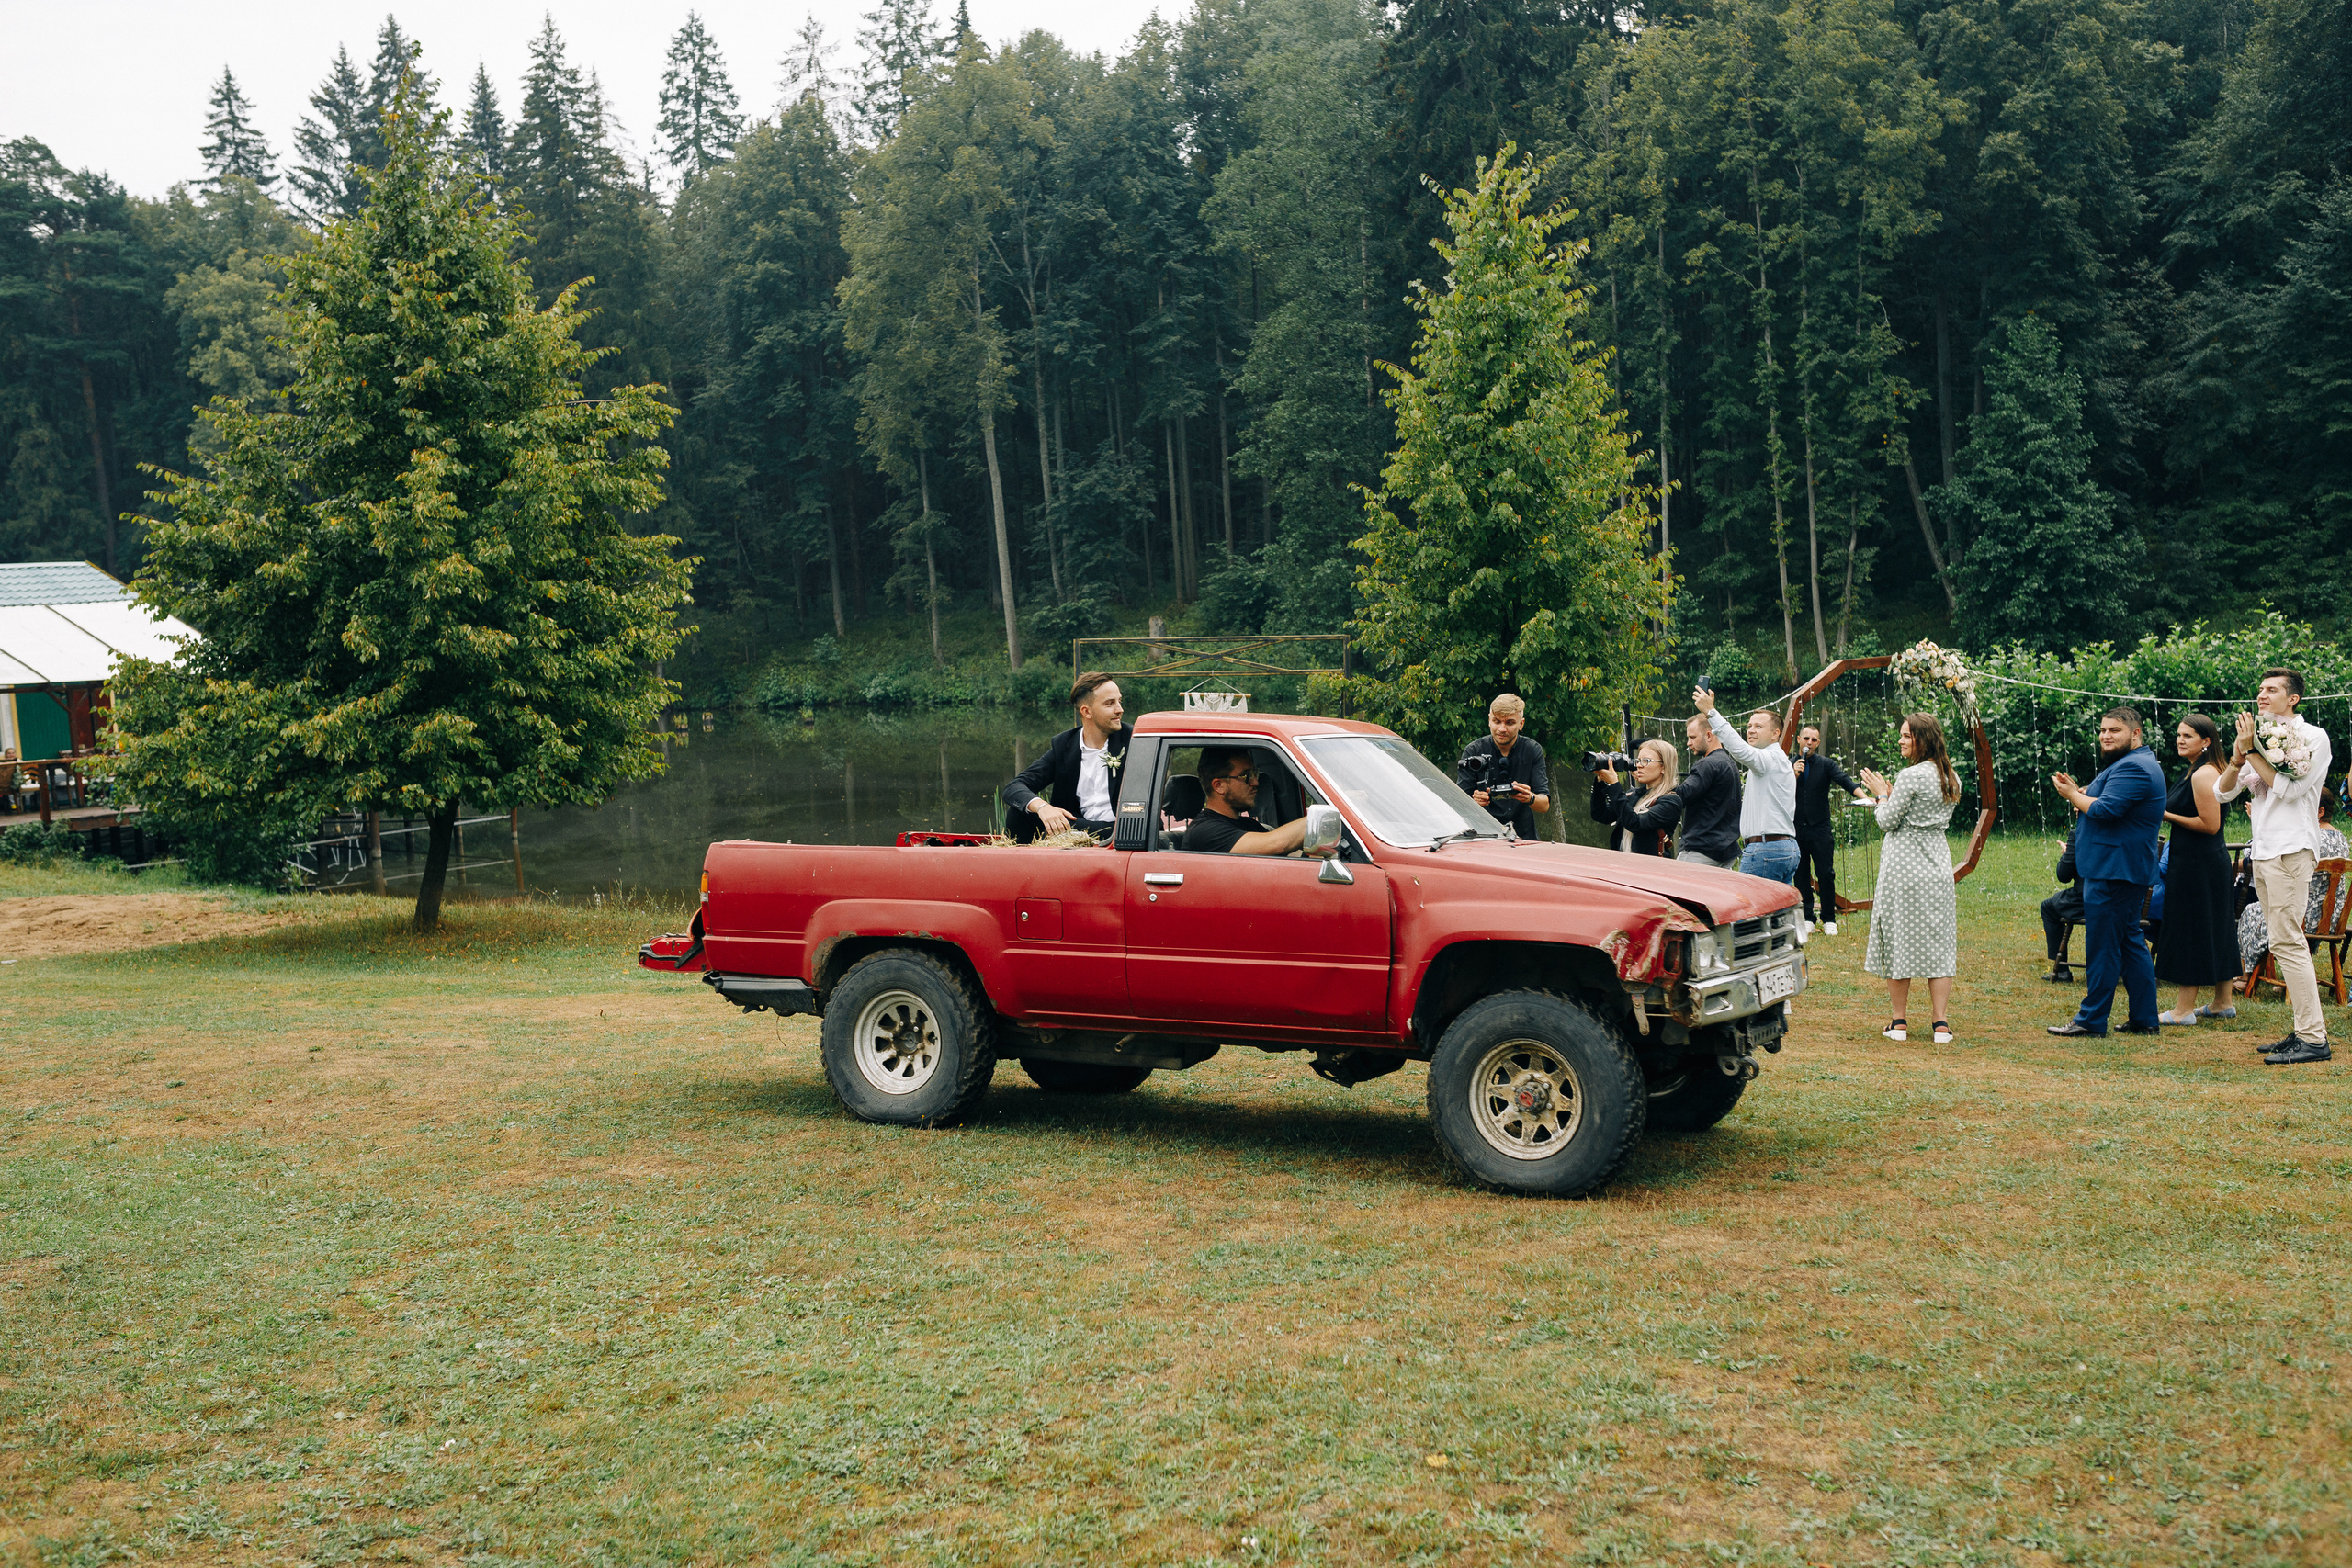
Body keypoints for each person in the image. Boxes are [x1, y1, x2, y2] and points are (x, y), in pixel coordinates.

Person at [2218, 668, 2335, 1063]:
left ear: (2293, 699)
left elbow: (2290, 790)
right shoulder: (2260, 739)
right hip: (2263, 851)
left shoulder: (2313, 738)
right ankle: (2304, 1030)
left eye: (2272, 690)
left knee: (2287, 941)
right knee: (2283, 942)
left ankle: (2314, 1039)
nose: (2262, 695)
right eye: (2260, 689)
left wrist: (2252, 750)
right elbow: (2223, 793)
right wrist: (2238, 757)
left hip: (2291, 849)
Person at [2046, 706, 2166, 1039]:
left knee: (2102, 948)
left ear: (2136, 733)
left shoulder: (2136, 768)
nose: (2105, 735)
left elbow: (2106, 809)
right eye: (2102, 730)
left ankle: (2091, 1020)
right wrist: (2081, 791)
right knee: (2130, 942)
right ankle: (2144, 1018)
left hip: (2114, 871)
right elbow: (2105, 798)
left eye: (2114, 730)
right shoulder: (2132, 763)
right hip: (2120, 869)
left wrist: (2073, 795)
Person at [1859, 713, 1962, 1043]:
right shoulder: (1951, 777)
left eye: (1906, 736)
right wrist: (1892, 793)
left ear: (1922, 739)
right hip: (1936, 866)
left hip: (1904, 866)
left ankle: (1899, 1021)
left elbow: (1888, 820)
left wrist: (1880, 794)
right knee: (1938, 939)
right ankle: (1941, 1023)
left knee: (1899, 936)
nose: (1901, 741)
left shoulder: (1911, 775)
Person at [2154, 715, 2243, 1026]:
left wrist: (2163, 814)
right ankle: (2223, 1002)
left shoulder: (2203, 774)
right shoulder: (2195, 769)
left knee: (2191, 929)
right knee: (2216, 926)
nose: (2180, 740)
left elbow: (2210, 825)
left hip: (2198, 863)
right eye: (2178, 734)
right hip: (2204, 861)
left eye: (2188, 735)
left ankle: (2182, 1010)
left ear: (2206, 741)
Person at [2236, 789, 2347, 993]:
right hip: (2331, 921)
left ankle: (2244, 976)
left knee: (2252, 911)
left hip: (2302, 916)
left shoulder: (2306, 838)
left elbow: (2263, 858)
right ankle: (2293, 976)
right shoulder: (2341, 839)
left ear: (2319, 812)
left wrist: (2260, 824)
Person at [1001, 672, 1133, 841]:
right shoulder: (1064, 745)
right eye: (1110, 704)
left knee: (1071, 827)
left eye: (1119, 701)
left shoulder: (1134, 739)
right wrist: (1043, 807)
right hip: (1075, 827)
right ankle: (1021, 863)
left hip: (1120, 831)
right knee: (1020, 811)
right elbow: (1014, 787)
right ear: (1087, 711)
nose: (1119, 709)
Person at [1695, 687, 1799, 883]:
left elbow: (1739, 750)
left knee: (1750, 911)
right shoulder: (1776, 759)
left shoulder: (1768, 758)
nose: (1750, 730)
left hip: (1765, 850)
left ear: (1776, 734)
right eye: (1750, 726)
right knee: (1779, 913)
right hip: (1784, 848)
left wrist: (1712, 713)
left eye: (1758, 726)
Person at [1792, 723, 1871, 933]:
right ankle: (1807, 917)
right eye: (1806, 738)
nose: (1809, 743)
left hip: (1820, 828)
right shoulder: (1788, 763)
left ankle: (1829, 918)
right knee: (1800, 874)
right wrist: (1792, 774)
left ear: (1818, 743)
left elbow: (1845, 781)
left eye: (1813, 740)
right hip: (1795, 828)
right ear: (1799, 739)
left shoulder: (1826, 765)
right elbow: (1777, 790)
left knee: (1825, 873)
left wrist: (1866, 799)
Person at [1182, 747, 1312, 855]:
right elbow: (1277, 844)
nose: (1255, 782)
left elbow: (1291, 855)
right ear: (1219, 785)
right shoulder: (1204, 832)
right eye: (1246, 776)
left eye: (1254, 774)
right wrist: (1321, 817)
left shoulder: (1247, 824)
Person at [1455, 694, 1551, 840]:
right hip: (1482, 838)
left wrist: (1530, 798)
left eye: (1510, 723)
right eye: (1497, 721)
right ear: (1489, 720)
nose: (1502, 728)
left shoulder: (1533, 750)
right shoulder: (1473, 750)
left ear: (1521, 724)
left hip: (1524, 839)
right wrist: (1474, 803)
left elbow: (1544, 805)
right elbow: (1458, 806)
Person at [1673, 711, 1742, 868]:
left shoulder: (1706, 764)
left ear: (1709, 736)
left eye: (1692, 737)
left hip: (1702, 850)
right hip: (1726, 850)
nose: (1688, 743)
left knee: (1680, 889)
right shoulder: (1729, 764)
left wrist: (1659, 784)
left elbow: (1682, 795)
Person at [1589, 740, 1682, 856]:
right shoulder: (1634, 794)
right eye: (1638, 760)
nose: (1638, 765)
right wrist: (1600, 780)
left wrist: (1614, 784)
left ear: (1663, 767)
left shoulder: (1671, 801)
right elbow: (1600, 814)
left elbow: (1635, 823)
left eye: (1646, 761)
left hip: (1649, 869)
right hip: (1622, 864)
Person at [2041, 825, 2085, 984]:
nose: (2074, 809)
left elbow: (2063, 875)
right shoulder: (2123, 827)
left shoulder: (2078, 834)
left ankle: (2062, 971)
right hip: (2124, 900)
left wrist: (2067, 854)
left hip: (2087, 901)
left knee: (2048, 907)